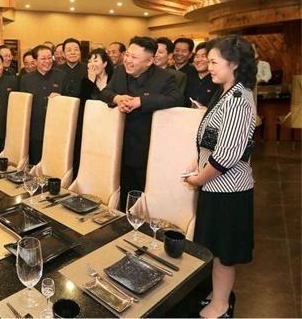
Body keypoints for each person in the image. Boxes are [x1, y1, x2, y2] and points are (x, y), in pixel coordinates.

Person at [184, 35, 257, 319]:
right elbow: (212, 139)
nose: (209, 66)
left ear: (234, 64)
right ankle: (216, 294)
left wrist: (198, 179)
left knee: (224, 253)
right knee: (214, 248)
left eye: (214, 62)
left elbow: (226, 155)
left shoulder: (238, 100)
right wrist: (198, 162)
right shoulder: (225, 92)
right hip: (216, 186)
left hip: (229, 190)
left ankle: (222, 304)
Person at [100, 36, 183, 209]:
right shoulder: (120, 71)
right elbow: (106, 92)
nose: (128, 60)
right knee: (120, 190)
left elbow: (176, 98)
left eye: (134, 57)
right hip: (118, 144)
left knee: (141, 194)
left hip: (145, 147)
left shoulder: (164, 78)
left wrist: (141, 101)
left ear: (149, 61)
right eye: (127, 55)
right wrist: (117, 98)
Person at [20, 45, 65, 164]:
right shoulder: (26, 79)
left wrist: (61, 97)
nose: (47, 61)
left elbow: (70, 100)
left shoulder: (61, 75)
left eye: (49, 58)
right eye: (43, 58)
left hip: (57, 128)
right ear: (35, 61)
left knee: (55, 163)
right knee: (36, 163)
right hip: (35, 130)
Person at [184, 42, 219, 108]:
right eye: (196, 56)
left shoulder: (217, 80)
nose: (198, 60)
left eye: (203, 56)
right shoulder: (187, 75)